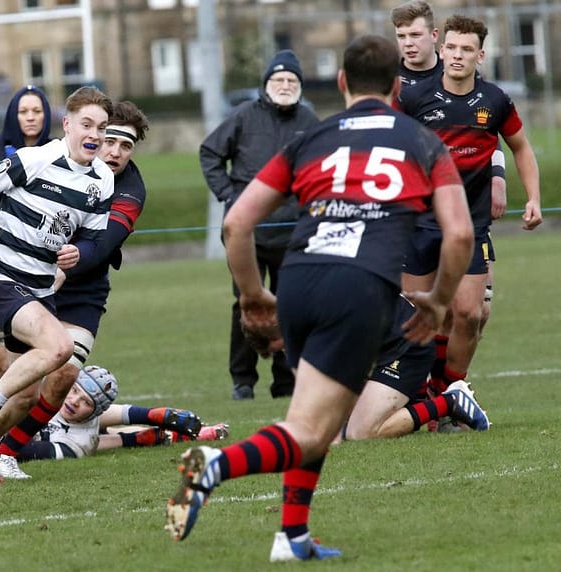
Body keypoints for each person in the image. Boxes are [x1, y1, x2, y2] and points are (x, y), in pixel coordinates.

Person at [164, 35, 474, 562]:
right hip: (358, 286)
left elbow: (237, 222)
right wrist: (439, 300)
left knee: (316, 421)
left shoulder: (313, 135)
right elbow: (461, 235)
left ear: (341, 83)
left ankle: (292, 536)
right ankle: (212, 467)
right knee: (311, 430)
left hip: (299, 279)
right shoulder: (421, 140)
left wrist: (253, 295)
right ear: (397, 87)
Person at [0, 100, 152, 481]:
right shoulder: (52, 160)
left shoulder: (127, 190)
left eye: (126, 146)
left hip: (82, 290)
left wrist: (76, 257)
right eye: (111, 140)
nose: (115, 151)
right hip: (28, 280)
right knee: (17, 375)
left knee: (60, 375)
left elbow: (101, 244)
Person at [397, 14, 542, 398]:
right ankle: (416, 396)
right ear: (441, 51)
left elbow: (521, 148)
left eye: (467, 49)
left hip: (471, 226)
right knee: (415, 316)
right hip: (420, 223)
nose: (458, 55)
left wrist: (533, 198)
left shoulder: (495, 100)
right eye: (453, 48)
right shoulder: (413, 98)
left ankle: (449, 393)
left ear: (481, 55)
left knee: (470, 313)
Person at [200, 50, 319, 401]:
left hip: (294, 232)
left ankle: (286, 382)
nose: (285, 86)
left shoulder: (310, 120)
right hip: (246, 236)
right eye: (278, 80)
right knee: (246, 305)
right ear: (266, 85)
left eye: (292, 81)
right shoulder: (242, 117)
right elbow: (209, 153)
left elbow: (323, 165)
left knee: (291, 306)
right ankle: (243, 381)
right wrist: (229, 196)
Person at [0, 362, 228, 469]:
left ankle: (162, 435)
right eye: (73, 392)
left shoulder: (79, 436)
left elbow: (22, 451)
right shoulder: (53, 401)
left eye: (84, 400)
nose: (73, 401)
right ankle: (162, 435)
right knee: (114, 437)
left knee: (108, 439)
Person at [341, 295, 490, 440]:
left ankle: (451, 401)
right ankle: (407, 405)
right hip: (380, 342)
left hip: (405, 344)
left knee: (360, 433)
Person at [0, 85, 53, 181]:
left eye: (37, 111)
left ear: (46, 115)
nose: (30, 118)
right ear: (13, 115)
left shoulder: (57, 151)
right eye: (23, 111)